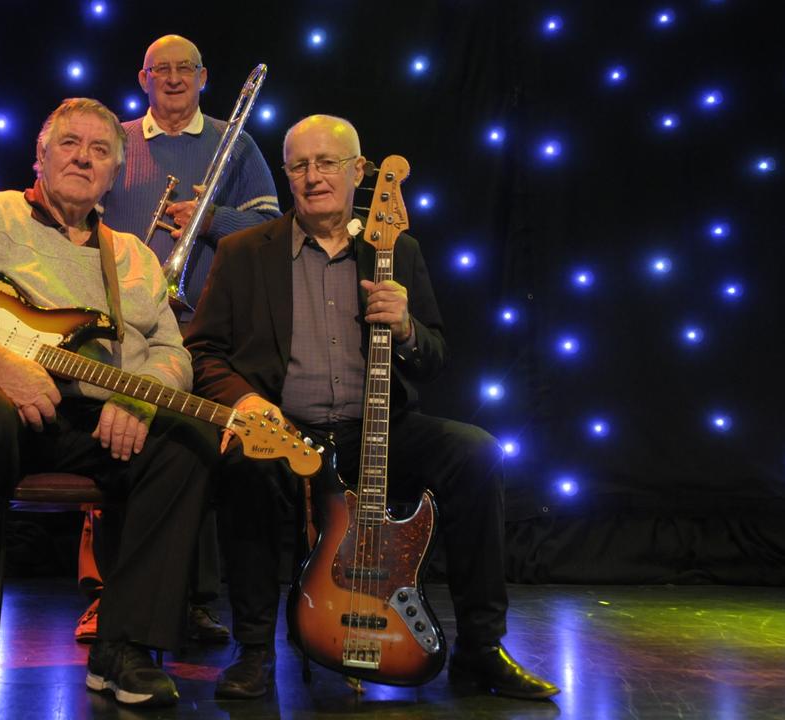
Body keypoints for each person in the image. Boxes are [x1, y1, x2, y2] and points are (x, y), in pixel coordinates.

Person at [185, 115, 560, 701]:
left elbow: (435, 355)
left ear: (358, 171)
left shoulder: (396, 250)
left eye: (326, 163)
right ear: (285, 175)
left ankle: (481, 649)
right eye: (299, 165)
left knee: (477, 453)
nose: (312, 177)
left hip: (378, 428)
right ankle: (255, 648)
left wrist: (408, 327)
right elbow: (202, 351)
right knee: (245, 466)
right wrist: (248, 401)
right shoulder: (243, 252)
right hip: (288, 429)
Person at [0, 97, 215, 713]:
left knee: (186, 442)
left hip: (98, 418)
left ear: (115, 173)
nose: (84, 158)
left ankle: (125, 644)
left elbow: (173, 353)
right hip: (1, 403)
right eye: (70, 144)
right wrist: (0, 366)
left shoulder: (133, 258)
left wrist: (138, 404)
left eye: (100, 152)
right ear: (40, 155)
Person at [76, 33, 281, 645]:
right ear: (142, 79)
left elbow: (273, 228)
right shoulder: (115, 140)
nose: (171, 78)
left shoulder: (235, 143)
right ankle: (104, 594)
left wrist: (213, 220)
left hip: (206, 326)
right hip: (119, 324)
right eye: (159, 69)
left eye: (184, 68)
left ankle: (191, 597)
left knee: (199, 452)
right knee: (115, 443)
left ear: (203, 75)